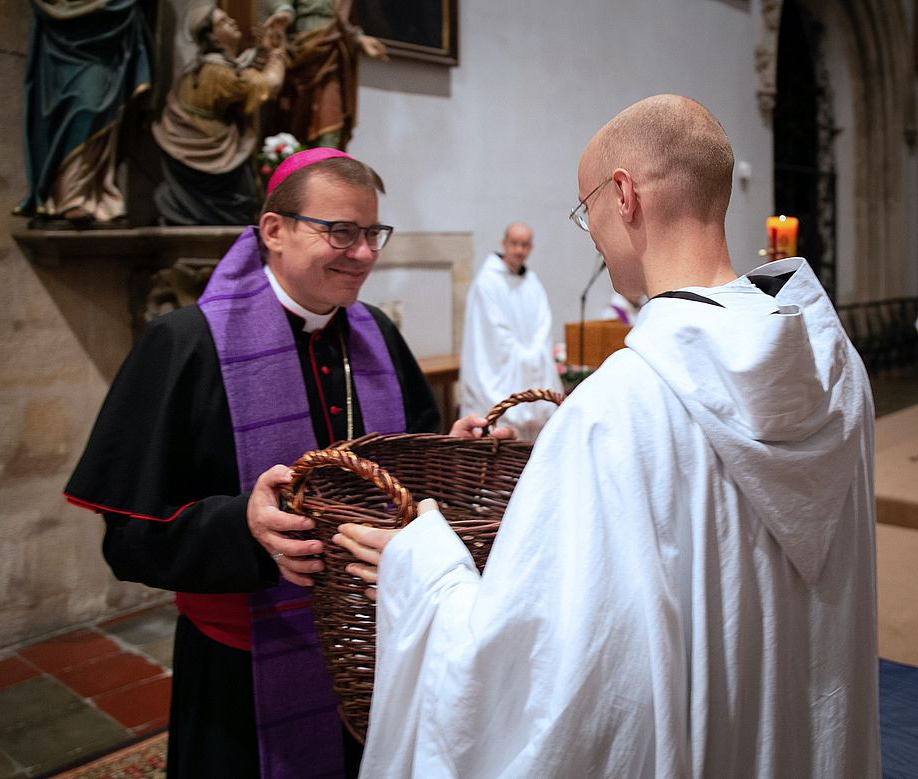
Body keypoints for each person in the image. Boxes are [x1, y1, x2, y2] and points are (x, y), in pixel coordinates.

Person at [334, 95, 880, 776]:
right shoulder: (839, 370)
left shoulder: (618, 407)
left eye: (584, 205)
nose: (587, 229)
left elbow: (551, 682)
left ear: (623, 195)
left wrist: (421, 569)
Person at [65, 148, 460, 777]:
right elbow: (129, 539)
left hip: (376, 645)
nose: (363, 253)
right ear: (274, 231)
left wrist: (446, 460)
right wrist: (242, 529)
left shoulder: (378, 336)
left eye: (371, 233)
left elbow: (406, 472)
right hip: (241, 670)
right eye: (339, 231)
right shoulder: (184, 343)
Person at [15, 0, 152, 226]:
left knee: (94, 109)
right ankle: (68, 196)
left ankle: (86, 194)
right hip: (63, 38)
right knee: (77, 111)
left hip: (105, 37)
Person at [152, 6, 285, 225]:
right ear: (212, 36)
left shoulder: (215, 66)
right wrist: (277, 53)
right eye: (222, 22)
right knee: (241, 200)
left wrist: (263, 52)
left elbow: (244, 71)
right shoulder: (217, 72)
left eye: (228, 17)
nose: (232, 21)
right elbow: (267, 85)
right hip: (206, 151)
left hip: (206, 142)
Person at [460, 223, 563, 441]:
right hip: (500, 371)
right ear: (504, 243)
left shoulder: (532, 281)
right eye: (514, 244)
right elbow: (493, 331)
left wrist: (534, 351)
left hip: (530, 367)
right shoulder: (487, 282)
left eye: (525, 245)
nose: (519, 250)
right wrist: (524, 357)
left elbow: (543, 322)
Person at [262, 0, 388, 150]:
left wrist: (359, 38)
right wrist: (284, 12)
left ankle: (329, 164)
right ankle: (299, 164)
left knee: (331, 117)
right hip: (302, 53)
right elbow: (282, 4)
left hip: (331, 54)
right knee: (297, 119)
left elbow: (341, 19)